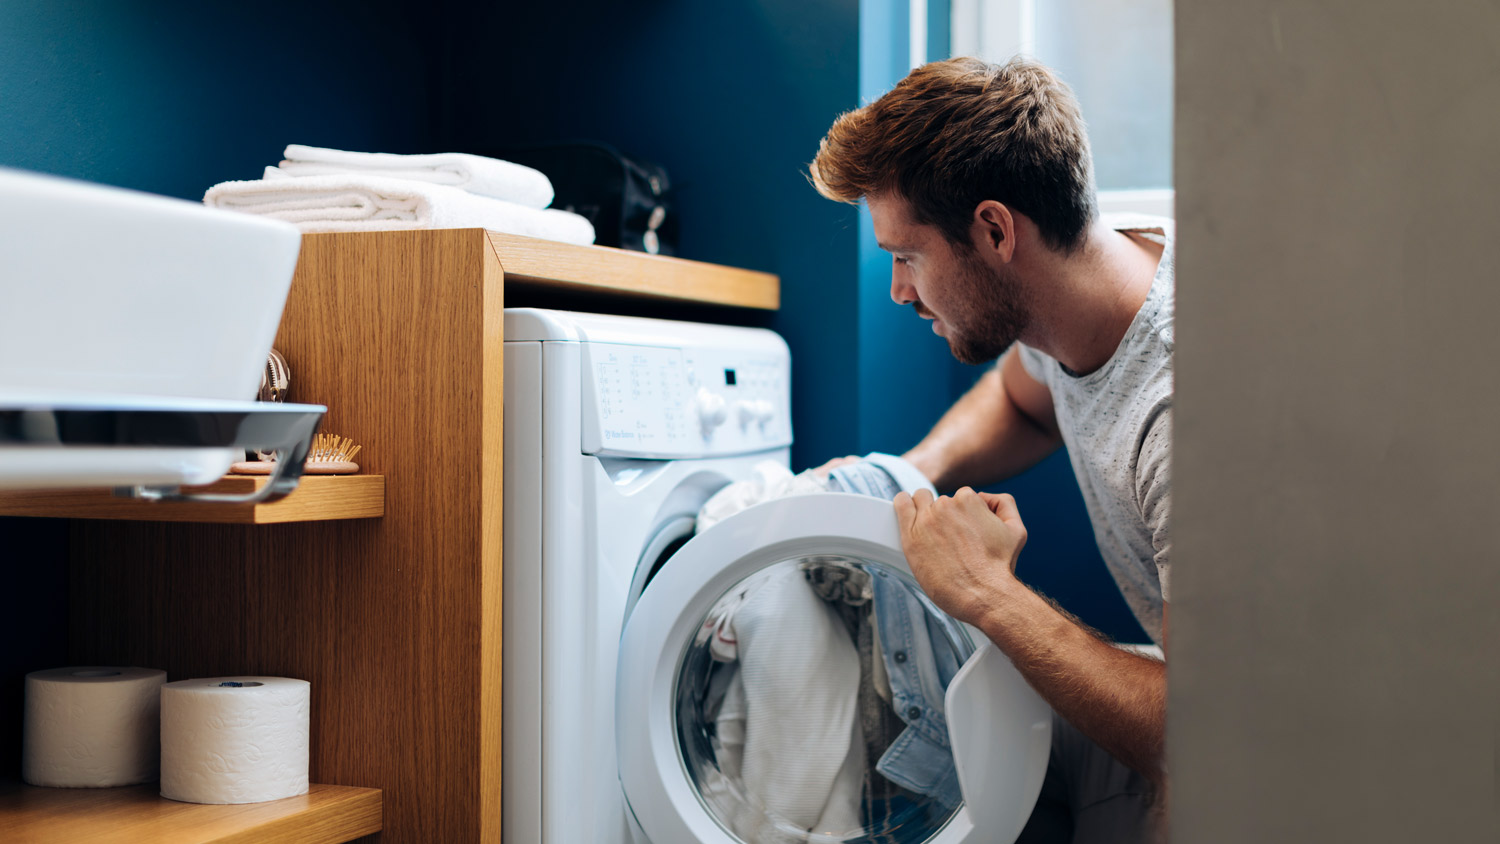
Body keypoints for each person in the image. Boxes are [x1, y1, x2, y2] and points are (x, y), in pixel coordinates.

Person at [810, 56, 1173, 842]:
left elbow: (1220, 734)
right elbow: (1023, 401)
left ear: (995, 230)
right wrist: (911, 473)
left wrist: (988, 594)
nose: (901, 292)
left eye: (906, 257)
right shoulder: (1077, 291)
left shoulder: (1180, 414)